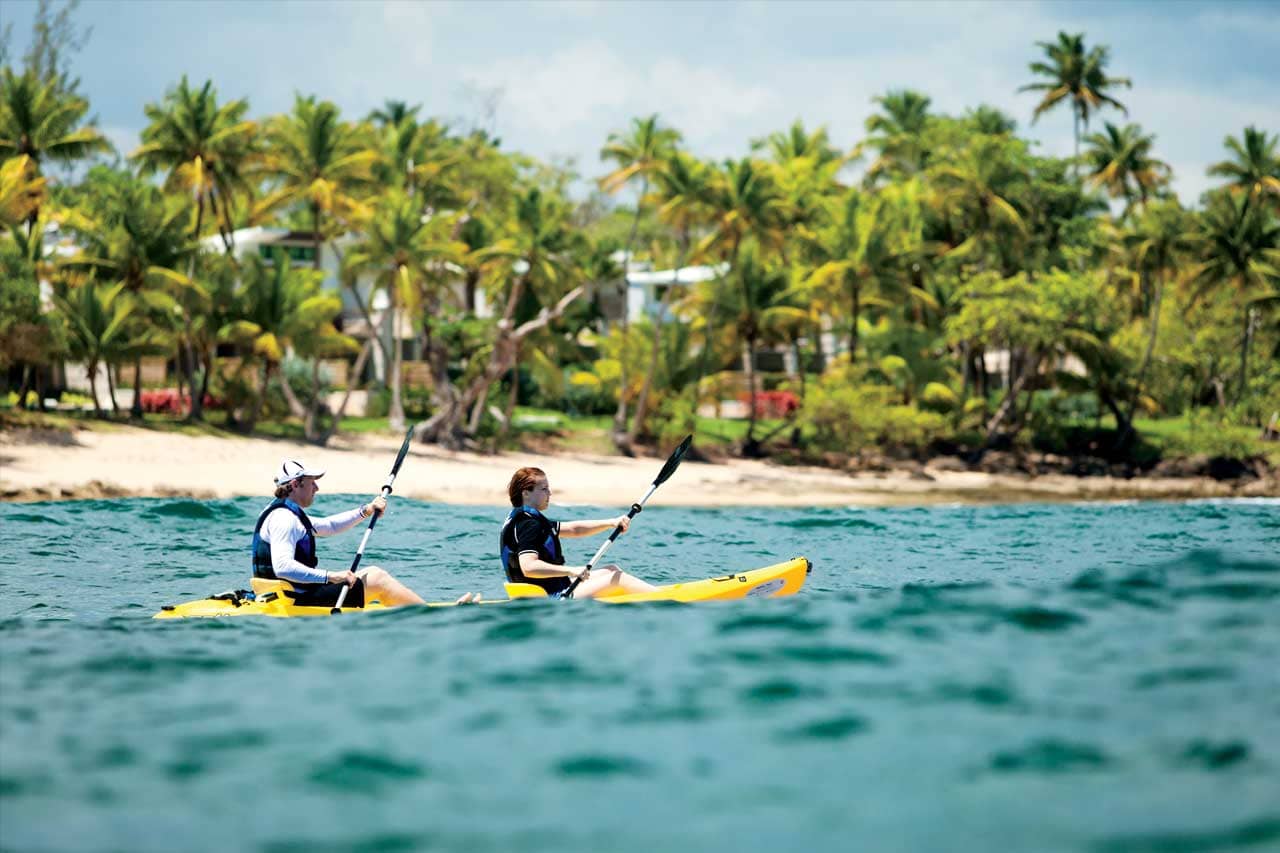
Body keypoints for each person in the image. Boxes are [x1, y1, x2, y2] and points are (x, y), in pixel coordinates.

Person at [252, 459, 478, 607]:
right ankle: (433, 618)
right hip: (296, 599)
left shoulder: (281, 512)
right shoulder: (285, 519)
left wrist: (366, 510)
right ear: (295, 484)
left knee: (370, 577)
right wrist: (332, 576)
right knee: (376, 578)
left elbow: (329, 526)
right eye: (312, 483)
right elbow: (283, 567)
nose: (317, 488)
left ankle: (416, 608)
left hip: (286, 595)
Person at [500, 466, 657, 599]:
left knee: (612, 569)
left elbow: (575, 529)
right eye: (544, 489)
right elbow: (529, 567)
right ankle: (663, 599)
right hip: (554, 596)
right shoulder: (528, 524)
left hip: (555, 587)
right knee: (618, 578)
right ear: (526, 493)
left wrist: (611, 523)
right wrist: (572, 570)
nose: (550, 493)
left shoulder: (525, 519)